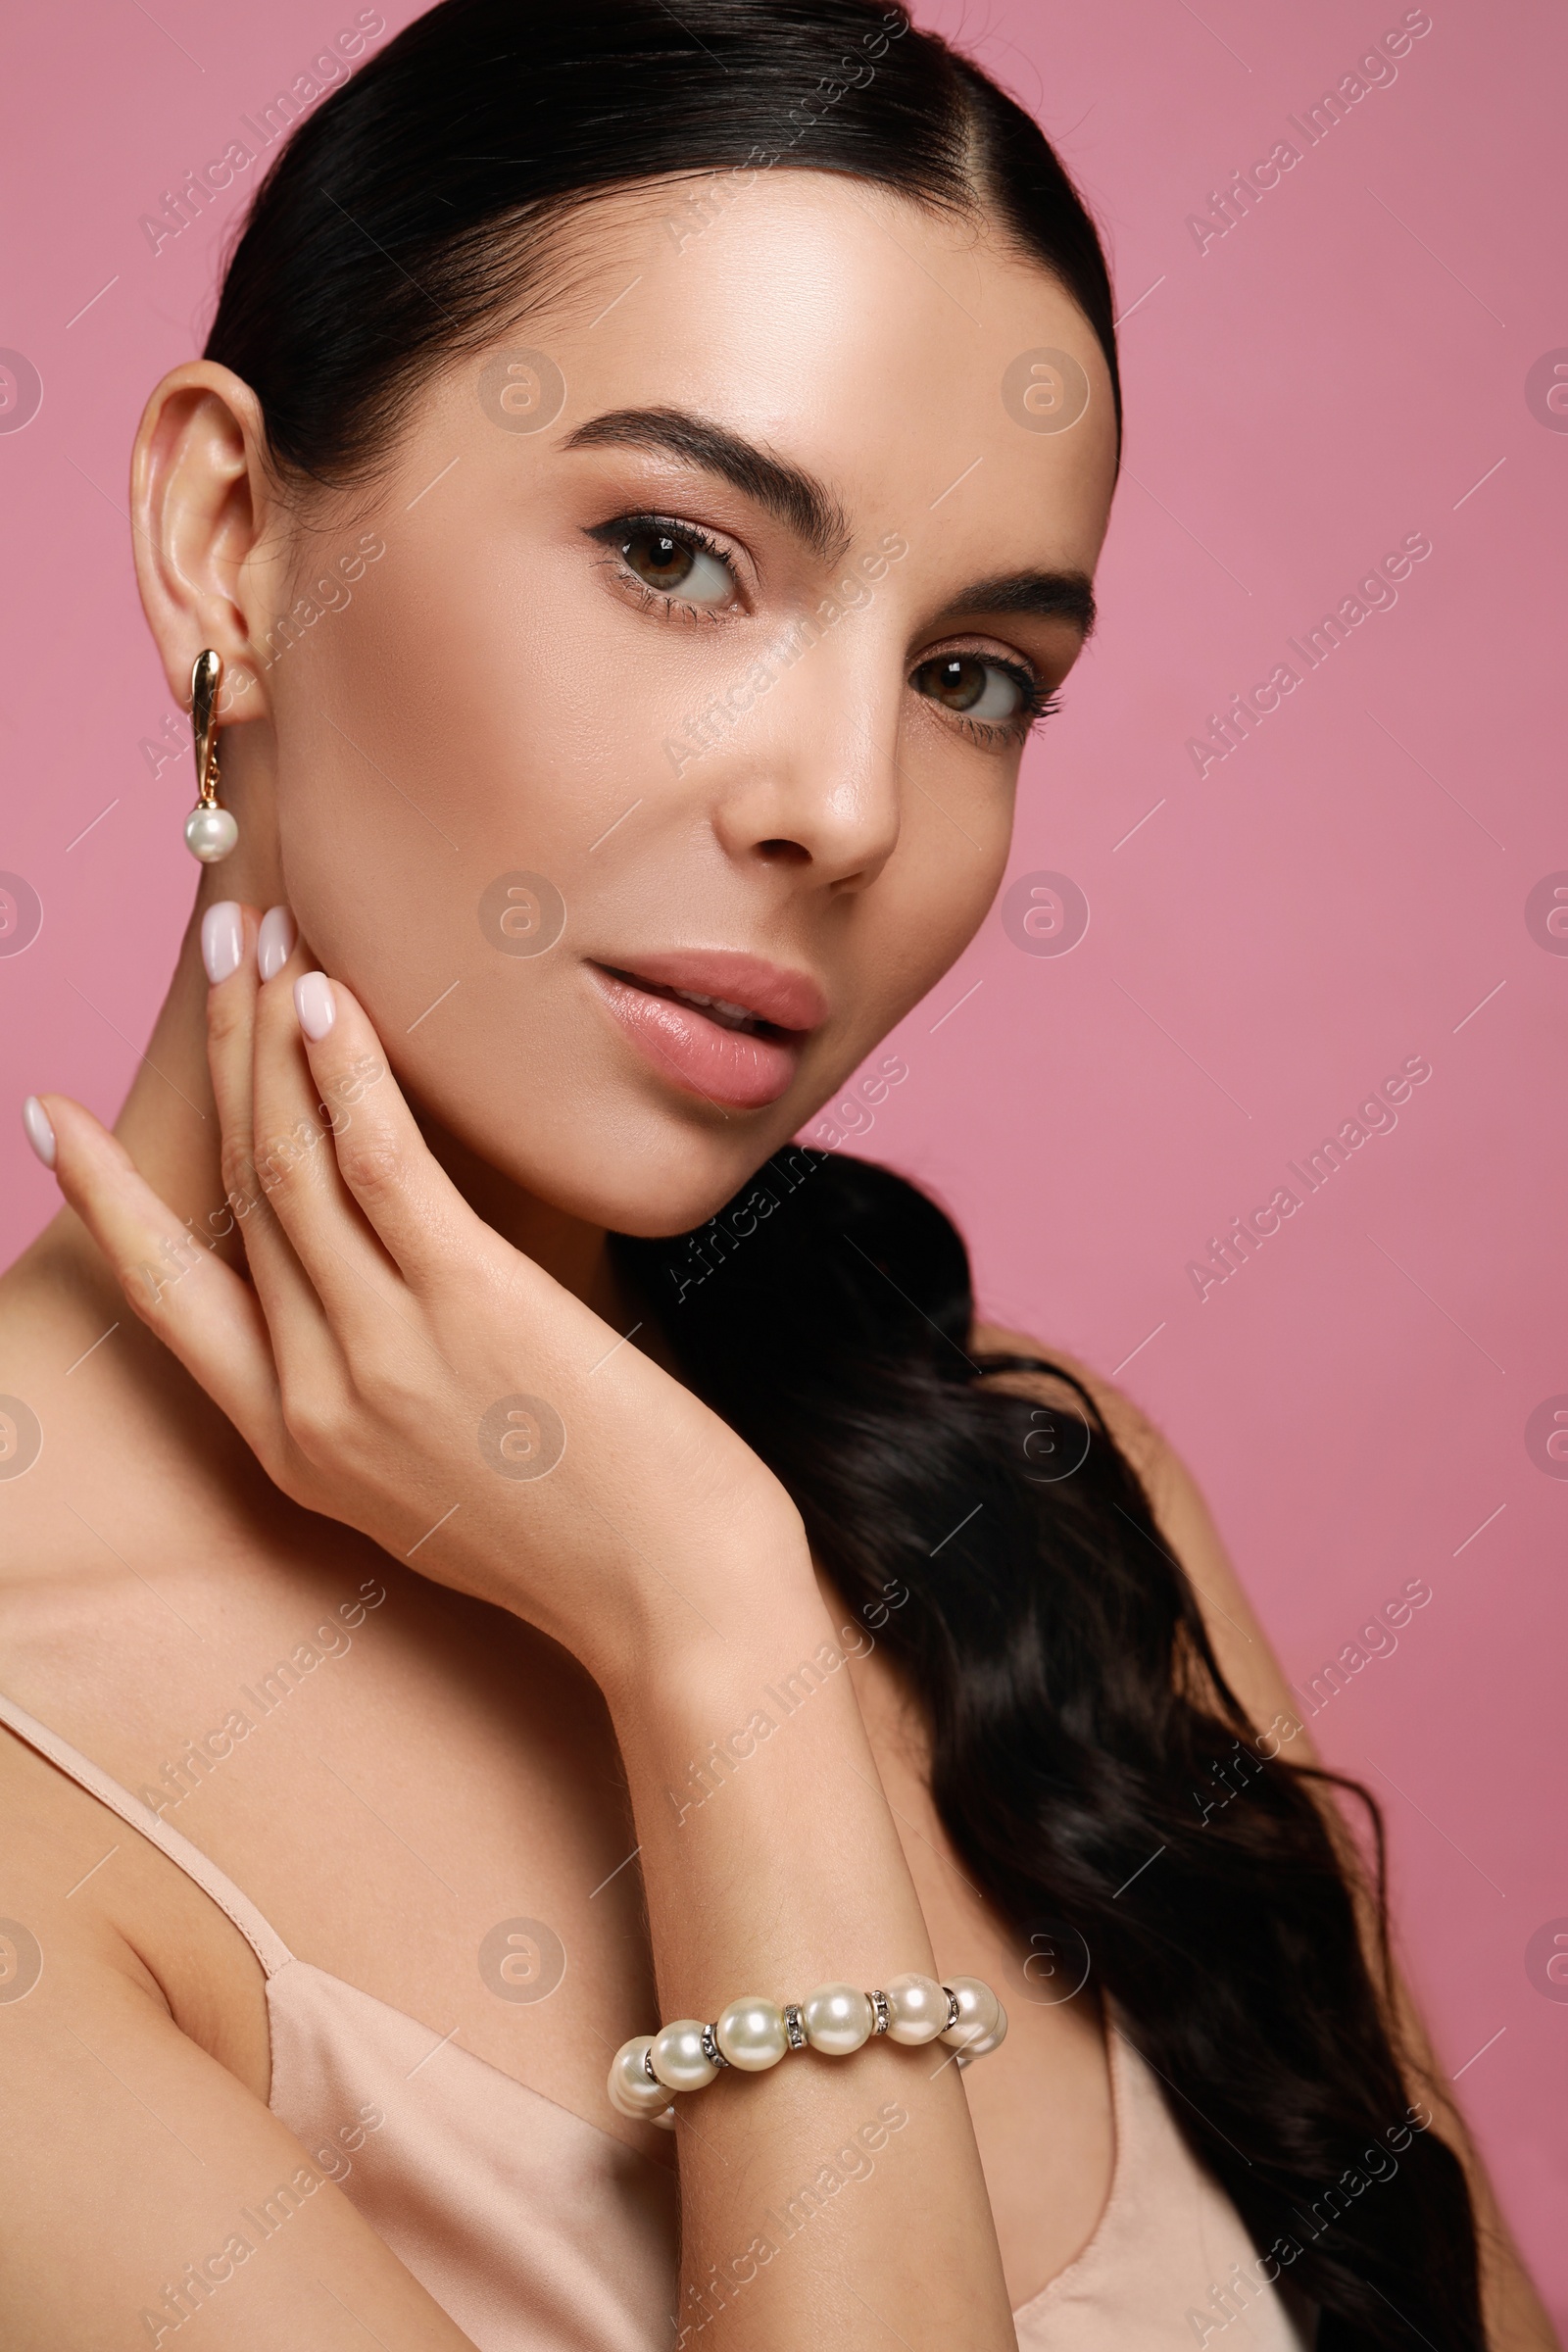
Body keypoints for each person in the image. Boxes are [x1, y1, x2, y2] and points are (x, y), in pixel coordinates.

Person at [0, 3, 1553, 2346]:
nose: (845, 805)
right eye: (673, 551)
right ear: (229, 538)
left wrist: (701, 1579)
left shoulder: (1020, 1494)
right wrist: (717, 1641)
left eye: (973, 676)